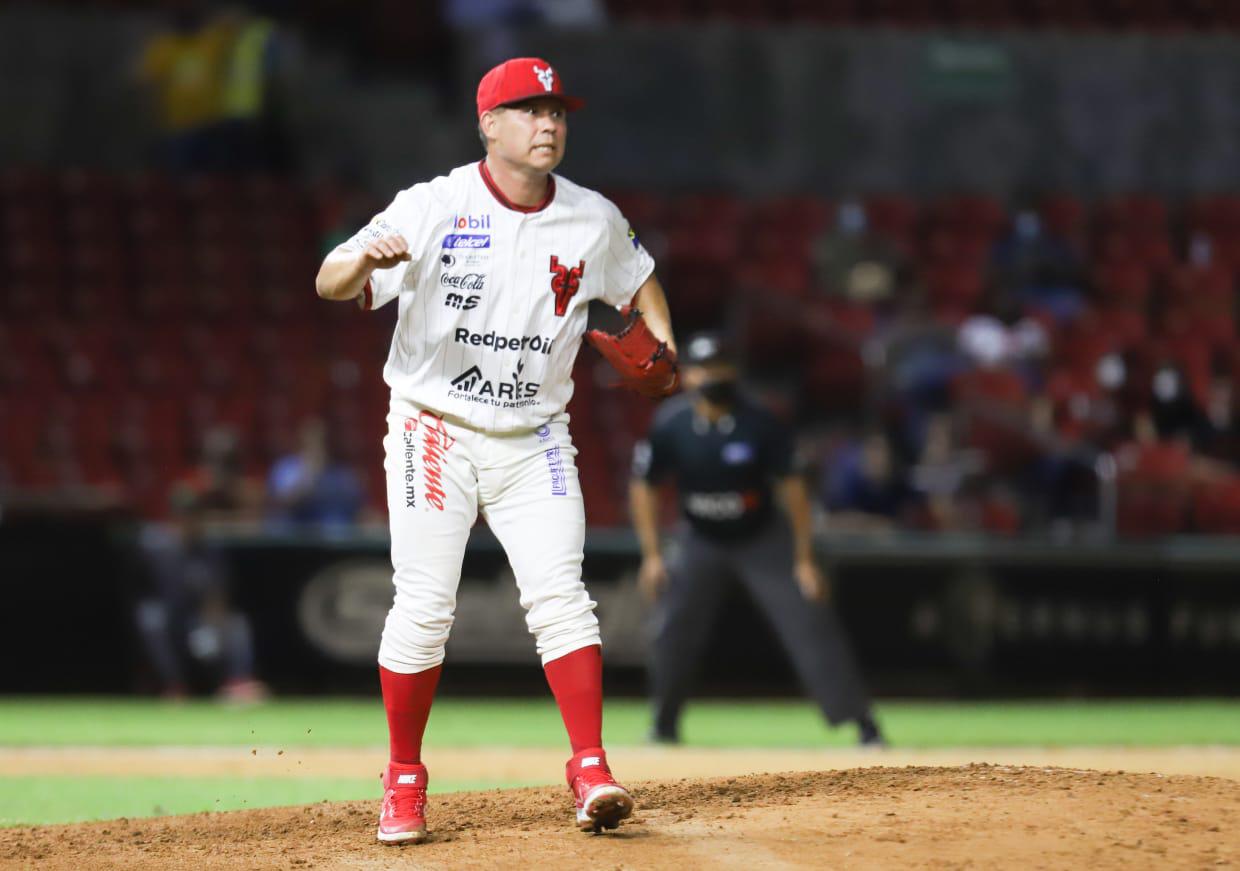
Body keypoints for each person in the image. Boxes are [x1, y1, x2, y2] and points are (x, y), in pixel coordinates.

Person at [315, 58, 677, 844]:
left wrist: (664, 336)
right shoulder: (434, 204)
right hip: (433, 427)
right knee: (424, 605)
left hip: (534, 432)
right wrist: (360, 261)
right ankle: (403, 780)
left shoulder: (592, 217)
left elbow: (640, 280)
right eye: (528, 109)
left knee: (562, 598)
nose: (548, 123)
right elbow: (329, 280)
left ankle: (591, 767)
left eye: (556, 111)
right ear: (488, 125)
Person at [629, 333, 884, 748]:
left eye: (723, 367)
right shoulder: (671, 423)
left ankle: (863, 724)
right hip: (700, 537)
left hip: (762, 536)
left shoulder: (760, 422)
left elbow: (794, 490)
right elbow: (645, 486)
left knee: (808, 620)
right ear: (690, 376)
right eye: (707, 369)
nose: (717, 376)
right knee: (673, 626)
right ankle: (664, 723)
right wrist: (652, 555)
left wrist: (804, 558)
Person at [134, 486, 268, 702]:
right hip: (169, 619)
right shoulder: (154, 546)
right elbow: (141, 589)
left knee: (236, 623)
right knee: (150, 618)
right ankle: (174, 687)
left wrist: (210, 627)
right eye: (182, 516)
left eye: (192, 516)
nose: (188, 522)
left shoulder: (210, 549)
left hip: (197, 621)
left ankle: (237, 682)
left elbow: (217, 596)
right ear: (173, 518)